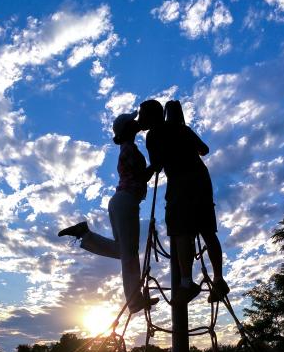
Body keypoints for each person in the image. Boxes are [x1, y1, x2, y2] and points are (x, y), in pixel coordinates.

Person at [58, 112, 159, 315]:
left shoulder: (128, 148)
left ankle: (85, 234)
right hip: (126, 201)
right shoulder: (129, 149)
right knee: (129, 255)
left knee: (124, 251)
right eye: (132, 122)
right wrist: (157, 164)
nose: (135, 122)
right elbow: (142, 176)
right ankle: (134, 300)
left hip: (120, 202)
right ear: (127, 129)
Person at [138, 99, 230, 305]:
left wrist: (141, 176)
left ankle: (187, 284)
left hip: (181, 184)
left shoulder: (153, 135)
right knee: (207, 230)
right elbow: (204, 149)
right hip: (201, 180)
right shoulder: (181, 129)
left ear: (153, 116)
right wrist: (183, 137)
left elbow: (157, 164)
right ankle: (219, 279)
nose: (139, 118)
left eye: (142, 114)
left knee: (180, 232)